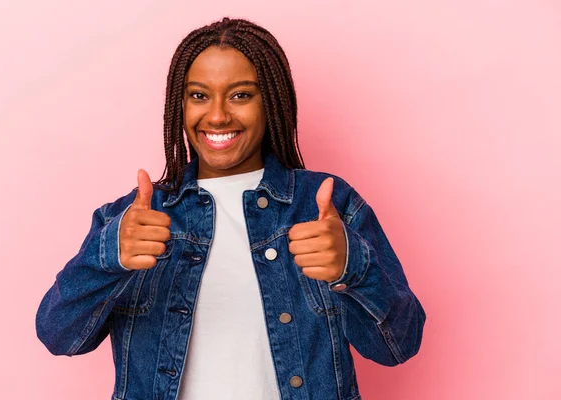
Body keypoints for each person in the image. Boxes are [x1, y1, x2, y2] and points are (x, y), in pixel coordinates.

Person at [36, 17, 426, 400]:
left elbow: (399, 346)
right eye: (199, 95)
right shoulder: (132, 220)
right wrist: (108, 259)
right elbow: (59, 336)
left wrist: (351, 266)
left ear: (270, 102)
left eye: (240, 95)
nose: (218, 115)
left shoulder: (327, 206)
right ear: (180, 104)